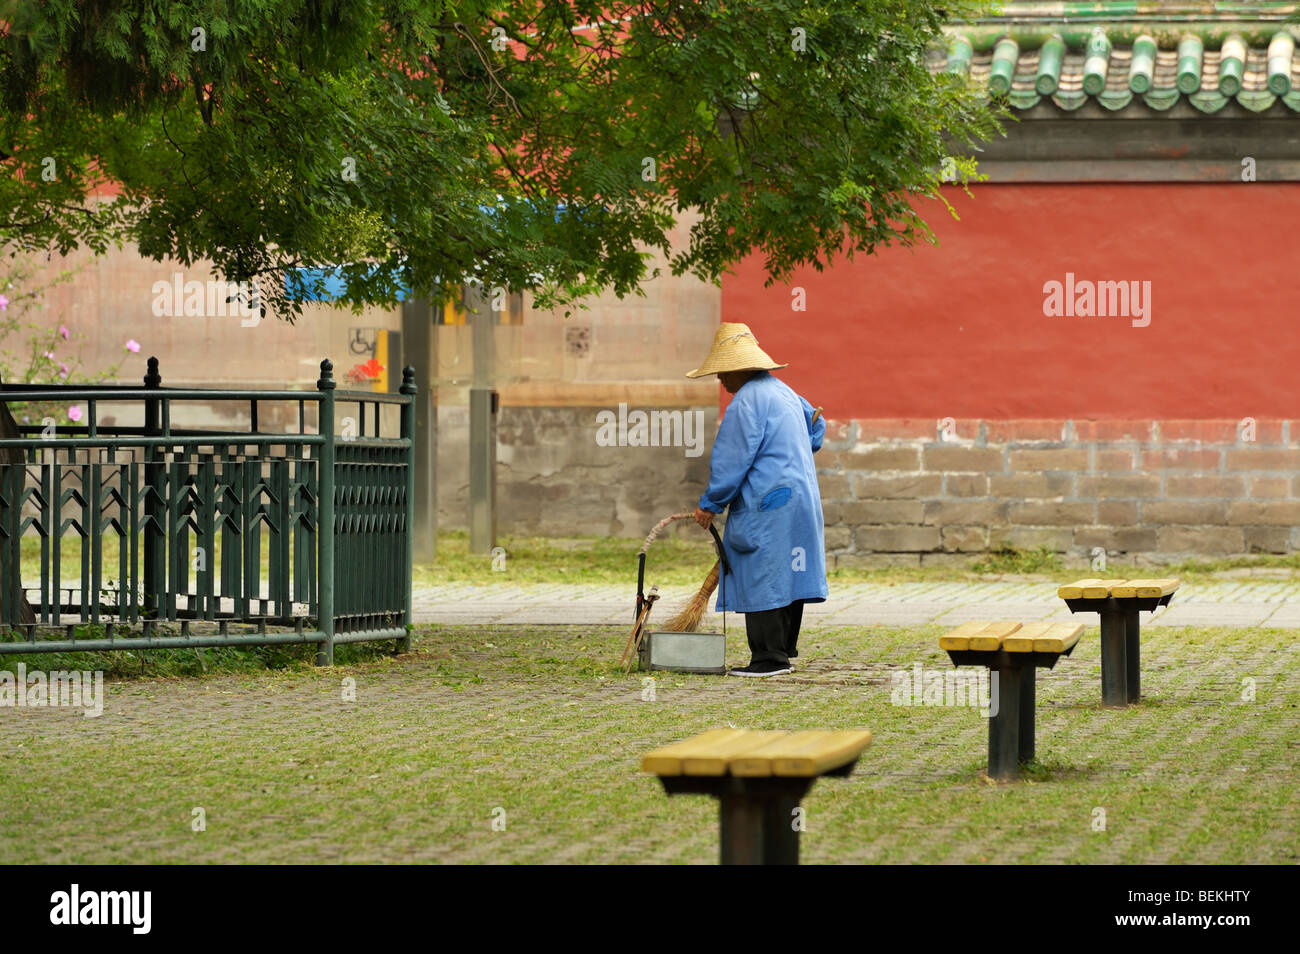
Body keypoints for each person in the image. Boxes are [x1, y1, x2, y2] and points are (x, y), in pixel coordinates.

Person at [687, 322, 827, 677]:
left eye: (722, 374)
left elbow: (732, 460)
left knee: (762, 571)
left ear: (738, 369)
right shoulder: (784, 392)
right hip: (801, 497)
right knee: (790, 571)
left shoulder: (746, 401)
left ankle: (768, 659)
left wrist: (710, 504)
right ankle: (782, 651)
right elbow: (817, 425)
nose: (721, 381)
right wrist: (793, 452)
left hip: (768, 503)